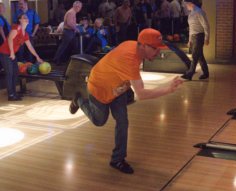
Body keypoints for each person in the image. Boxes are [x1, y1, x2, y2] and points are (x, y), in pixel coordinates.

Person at [69, 28, 184, 174]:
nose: (157, 53)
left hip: (118, 88)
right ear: (143, 45)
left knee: (122, 121)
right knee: (99, 121)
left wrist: (124, 86)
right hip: (99, 86)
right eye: (155, 49)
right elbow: (141, 94)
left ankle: (117, 159)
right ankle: (78, 100)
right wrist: (168, 89)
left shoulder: (132, 45)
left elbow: (120, 68)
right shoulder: (129, 58)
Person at [0, 13, 43, 101]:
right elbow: (9, 39)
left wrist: (37, 57)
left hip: (11, 54)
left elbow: (30, 47)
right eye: (24, 18)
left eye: (27, 18)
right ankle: (11, 95)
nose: (26, 19)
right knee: (10, 73)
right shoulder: (17, 28)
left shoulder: (25, 34)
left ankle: (14, 93)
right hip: (5, 53)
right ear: (20, 20)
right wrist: (12, 52)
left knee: (15, 72)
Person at [181, 0, 210, 80]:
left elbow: (206, 25)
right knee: (200, 55)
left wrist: (207, 38)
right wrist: (189, 40)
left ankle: (189, 73)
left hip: (199, 36)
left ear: (190, 3)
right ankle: (206, 73)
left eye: (186, 4)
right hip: (194, 36)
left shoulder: (199, 12)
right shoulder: (191, 13)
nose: (185, 6)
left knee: (195, 55)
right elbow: (191, 28)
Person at [53, 1, 82, 65]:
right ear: (77, 7)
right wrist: (75, 28)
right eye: (80, 7)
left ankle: (76, 60)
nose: (80, 9)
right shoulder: (71, 12)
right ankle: (56, 59)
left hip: (71, 32)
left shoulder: (72, 12)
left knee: (75, 46)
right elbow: (69, 23)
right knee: (63, 46)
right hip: (68, 32)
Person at [0, 3, 11, 72]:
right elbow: (0, 28)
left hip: (5, 38)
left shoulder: (2, 16)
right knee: (2, 53)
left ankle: (3, 67)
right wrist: (4, 39)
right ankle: (2, 67)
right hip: (1, 39)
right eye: (3, 7)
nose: (4, 8)